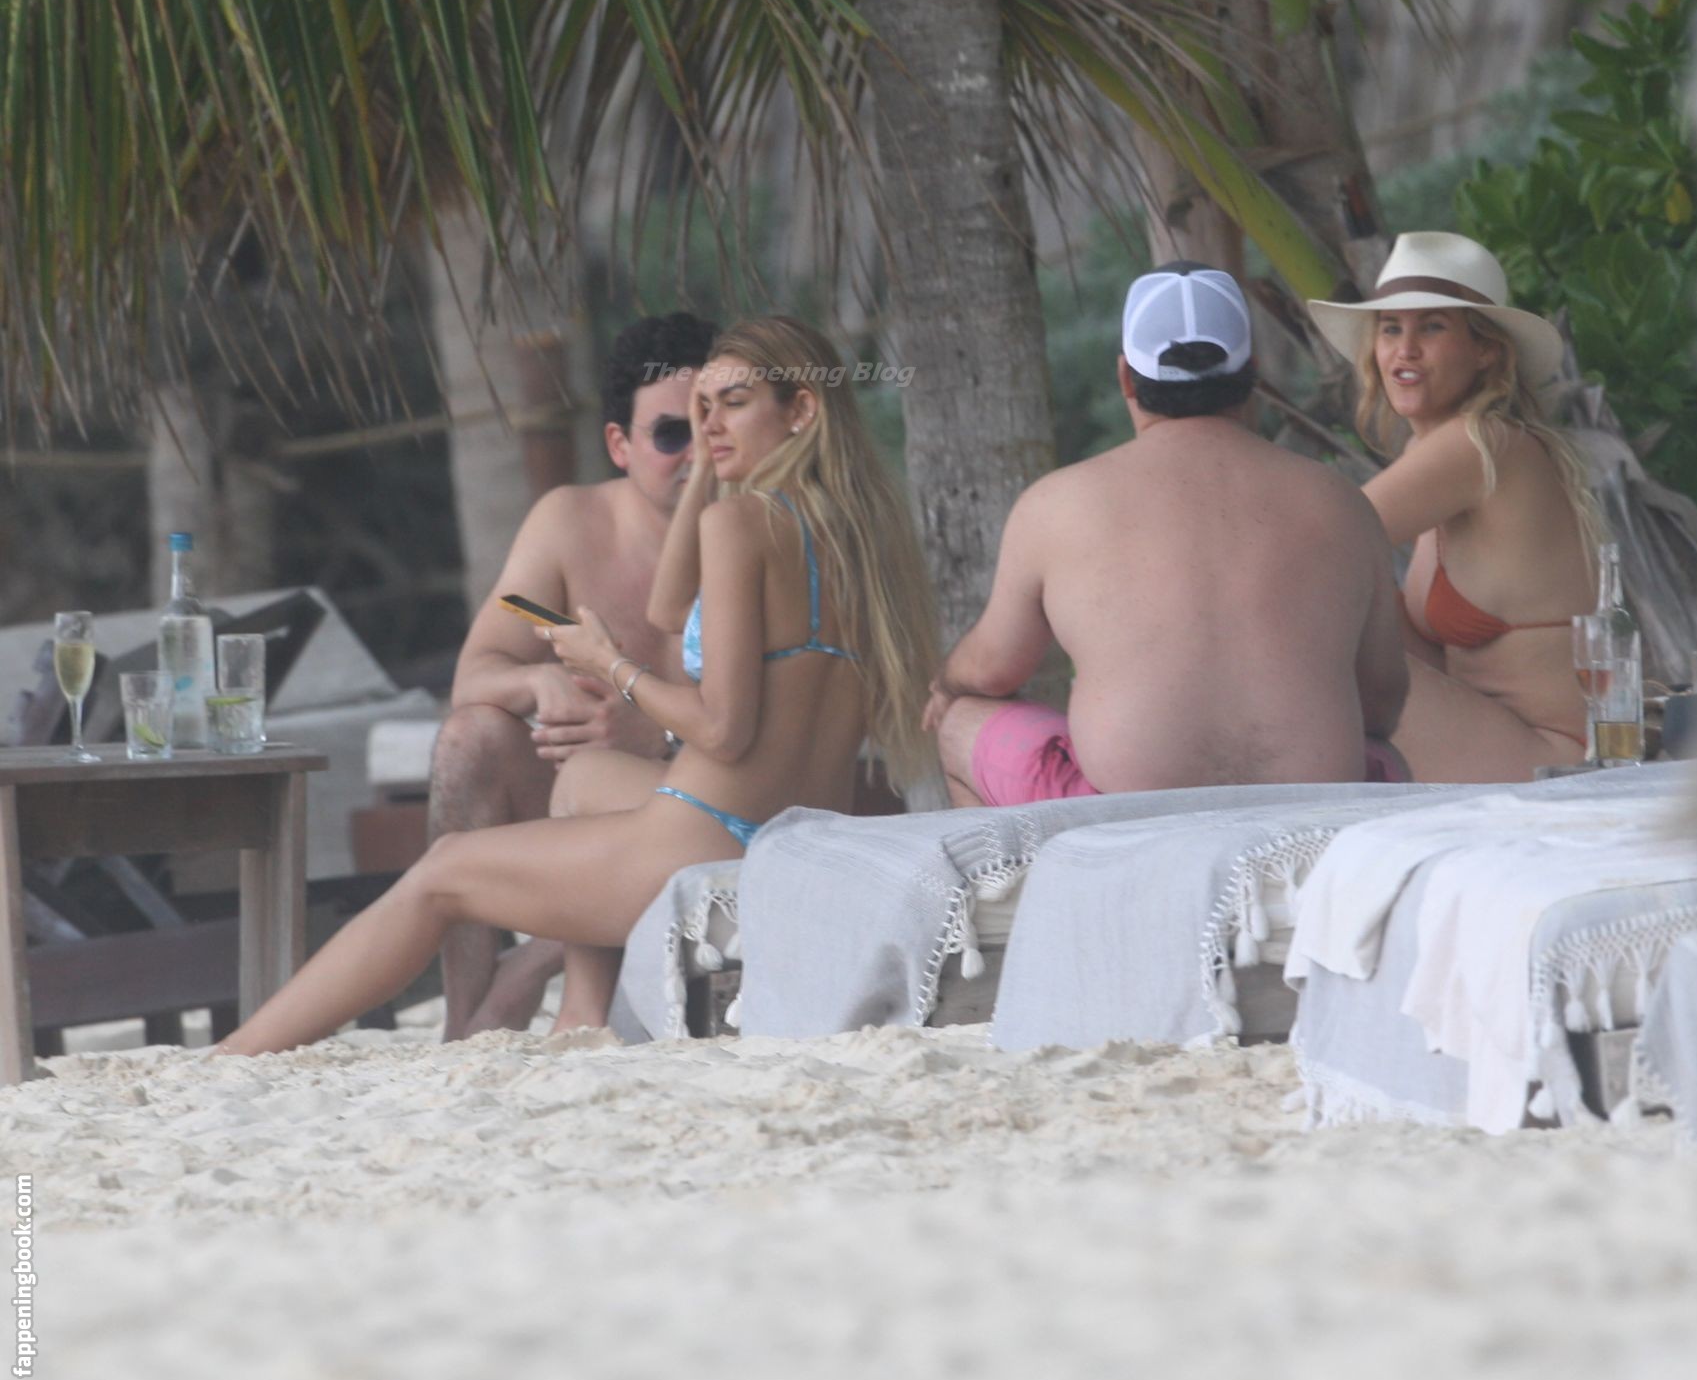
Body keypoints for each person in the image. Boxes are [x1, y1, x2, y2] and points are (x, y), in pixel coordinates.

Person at [218, 316, 938, 1054]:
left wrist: (608, 666)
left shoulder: (741, 527)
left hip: (704, 835)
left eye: (734, 404)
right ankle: (583, 1012)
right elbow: (668, 609)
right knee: (586, 776)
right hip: (791, 831)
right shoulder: (859, 534)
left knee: (442, 873)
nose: (709, 428)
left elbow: (725, 730)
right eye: (699, 411)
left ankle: (237, 1052)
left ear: (801, 410)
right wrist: (707, 474)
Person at [925, 262, 1409, 803]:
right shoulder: (1343, 503)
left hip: (1124, 813)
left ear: (1126, 378)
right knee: (1387, 760)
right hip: (1318, 809)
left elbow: (993, 670)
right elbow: (1381, 703)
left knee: (959, 724)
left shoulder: (1055, 504)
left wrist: (948, 682)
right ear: (1251, 374)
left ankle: (1044, 865)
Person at [430, 313, 714, 1041]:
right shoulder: (569, 523)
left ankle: (530, 970)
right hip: (587, 800)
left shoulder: (758, 536)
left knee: (595, 778)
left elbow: (776, 734)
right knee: (469, 738)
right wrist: (538, 685)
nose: (697, 454)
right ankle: (466, 1027)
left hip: (712, 805)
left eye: (712, 427)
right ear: (620, 445)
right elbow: (476, 672)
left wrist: (652, 733)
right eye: (671, 434)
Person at [1308, 231, 1603, 783]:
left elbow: (1318, 538)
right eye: (1390, 328)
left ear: (1485, 349)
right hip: (1500, 737)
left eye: (1433, 327)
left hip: (1556, 756)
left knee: (1302, 625)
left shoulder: (1479, 443)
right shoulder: (1442, 453)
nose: (1406, 349)